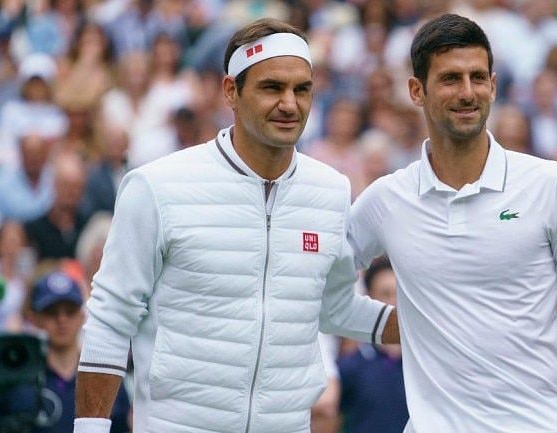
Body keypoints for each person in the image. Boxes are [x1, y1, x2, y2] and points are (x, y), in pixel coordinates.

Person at [73, 18, 399, 433]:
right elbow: (111, 315)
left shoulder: (331, 190)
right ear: (231, 91)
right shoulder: (156, 185)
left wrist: (429, 322)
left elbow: (331, 307)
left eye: (302, 89)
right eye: (271, 87)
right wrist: (90, 427)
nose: (289, 103)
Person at [348, 14, 557, 433]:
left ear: (494, 85)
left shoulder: (549, 183)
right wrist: (384, 325)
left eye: (478, 78)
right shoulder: (387, 199)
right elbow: (321, 280)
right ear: (416, 90)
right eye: (450, 79)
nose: (468, 93)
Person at [0, 271, 131, 433]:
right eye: (51, 312)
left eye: (70, 311)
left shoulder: (103, 374)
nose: (62, 320)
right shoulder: (14, 373)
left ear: (82, 316)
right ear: (34, 318)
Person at [338, 257, 408, 433]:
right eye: (385, 294)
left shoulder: (428, 365)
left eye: (399, 294)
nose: (394, 303)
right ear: (369, 298)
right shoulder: (351, 367)